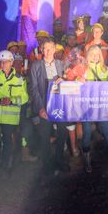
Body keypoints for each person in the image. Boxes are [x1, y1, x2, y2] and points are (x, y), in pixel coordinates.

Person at [0, 50, 29, 175]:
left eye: (6, 62)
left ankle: (5, 166)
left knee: (7, 142)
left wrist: (11, 100)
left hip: (10, 118)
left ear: (12, 62)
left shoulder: (20, 80)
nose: (3, 65)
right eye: (1, 62)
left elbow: (24, 98)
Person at [78, 45, 108, 173]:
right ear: (88, 56)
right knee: (87, 132)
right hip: (87, 106)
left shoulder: (106, 69)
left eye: (98, 54)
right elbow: (74, 85)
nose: (95, 56)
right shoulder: (83, 69)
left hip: (102, 106)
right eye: (92, 54)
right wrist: (78, 80)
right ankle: (86, 157)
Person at [29, 39, 71, 174]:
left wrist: (64, 80)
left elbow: (69, 83)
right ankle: (47, 164)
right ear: (41, 50)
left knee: (62, 133)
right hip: (44, 106)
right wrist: (40, 108)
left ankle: (60, 160)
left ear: (54, 50)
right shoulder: (35, 65)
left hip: (60, 106)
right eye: (44, 49)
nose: (47, 51)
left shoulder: (61, 64)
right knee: (45, 136)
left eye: (49, 49)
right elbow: (33, 88)